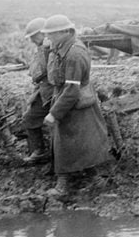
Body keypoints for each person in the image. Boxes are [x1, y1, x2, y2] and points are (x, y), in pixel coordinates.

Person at [42, 14, 111, 196]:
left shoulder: (74, 53)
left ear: (65, 32)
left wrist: (54, 113)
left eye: (51, 34)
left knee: (70, 143)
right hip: (68, 101)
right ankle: (94, 179)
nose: (48, 38)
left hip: (75, 103)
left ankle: (63, 185)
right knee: (75, 143)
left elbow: (72, 89)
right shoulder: (62, 48)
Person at [22, 17, 53, 164]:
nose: (32, 40)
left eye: (34, 36)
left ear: (43, 33)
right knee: (30, 118)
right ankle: (39, 151)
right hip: (43, 91)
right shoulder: (40, 49)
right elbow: (34, 72)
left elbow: (44, 71)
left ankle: (56, 160)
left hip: (56, 93)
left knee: (58, 127)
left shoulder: (52, 46)